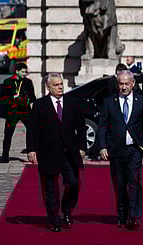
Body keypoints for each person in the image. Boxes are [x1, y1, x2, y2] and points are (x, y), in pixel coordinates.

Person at [26, 73, 87, 232]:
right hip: (48, 152)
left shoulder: (73, 103)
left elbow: (81, 127)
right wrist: (32, 149)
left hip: (69, 152)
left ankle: (67, 210)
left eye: (61, 84)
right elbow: (32, 129)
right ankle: (53, 219)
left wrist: (82, 147)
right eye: (56, 85)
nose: (60, 87)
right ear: (48, 87)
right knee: (50, 188)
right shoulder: (40, 105)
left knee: (73, 183)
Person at [97, 70, 143, 230]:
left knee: (134, 181)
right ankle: (122, 215)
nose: (123, 87)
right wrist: (102, 146)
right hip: (115, 148)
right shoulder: (109, 101)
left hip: (134, 148)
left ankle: (134, 216)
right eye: (120, 84)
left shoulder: (142, 101)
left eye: (126, 84)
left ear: (133, 84)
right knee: (120, 183)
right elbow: (102, 126)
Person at [0, 63, 36, 163]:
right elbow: (2, 99)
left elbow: (33, 97)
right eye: (22, 72)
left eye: (25, 72)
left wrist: (27, 100)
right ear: (17, 71)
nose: (24, 74)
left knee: (32, 130)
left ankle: (30, 152)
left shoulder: (28, 82)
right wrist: (12, 98)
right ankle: (5, 156)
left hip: (25, 111)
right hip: (12, 111)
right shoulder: (8, 82)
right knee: (8, 133)